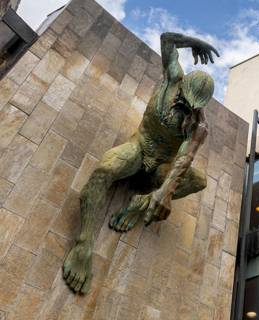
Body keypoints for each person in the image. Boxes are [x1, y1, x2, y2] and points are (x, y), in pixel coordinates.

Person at [62, 32, 219, 294]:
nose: (185, 107)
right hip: (140, 147)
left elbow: (183, 160)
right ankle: (83, 244)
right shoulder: (172, 77)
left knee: (198, 180)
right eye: (184, 99)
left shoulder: (198, 126)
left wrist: (162, 195)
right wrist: (196, 42)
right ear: (182, 86)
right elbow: (167, 39)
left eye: (192, 106)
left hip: (162, 166)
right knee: (105, 169)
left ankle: (141, 202)